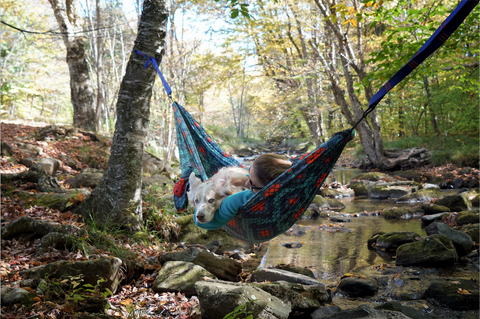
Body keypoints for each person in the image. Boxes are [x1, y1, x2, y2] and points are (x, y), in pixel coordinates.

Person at [194, 153, 292, 230]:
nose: (246, 185)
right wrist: (236, 178)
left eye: (252, 183)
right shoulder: (292, 186)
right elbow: (253, 181)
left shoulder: (243, 198)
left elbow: (201, 223)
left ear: (270, 188)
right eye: (249, 176)